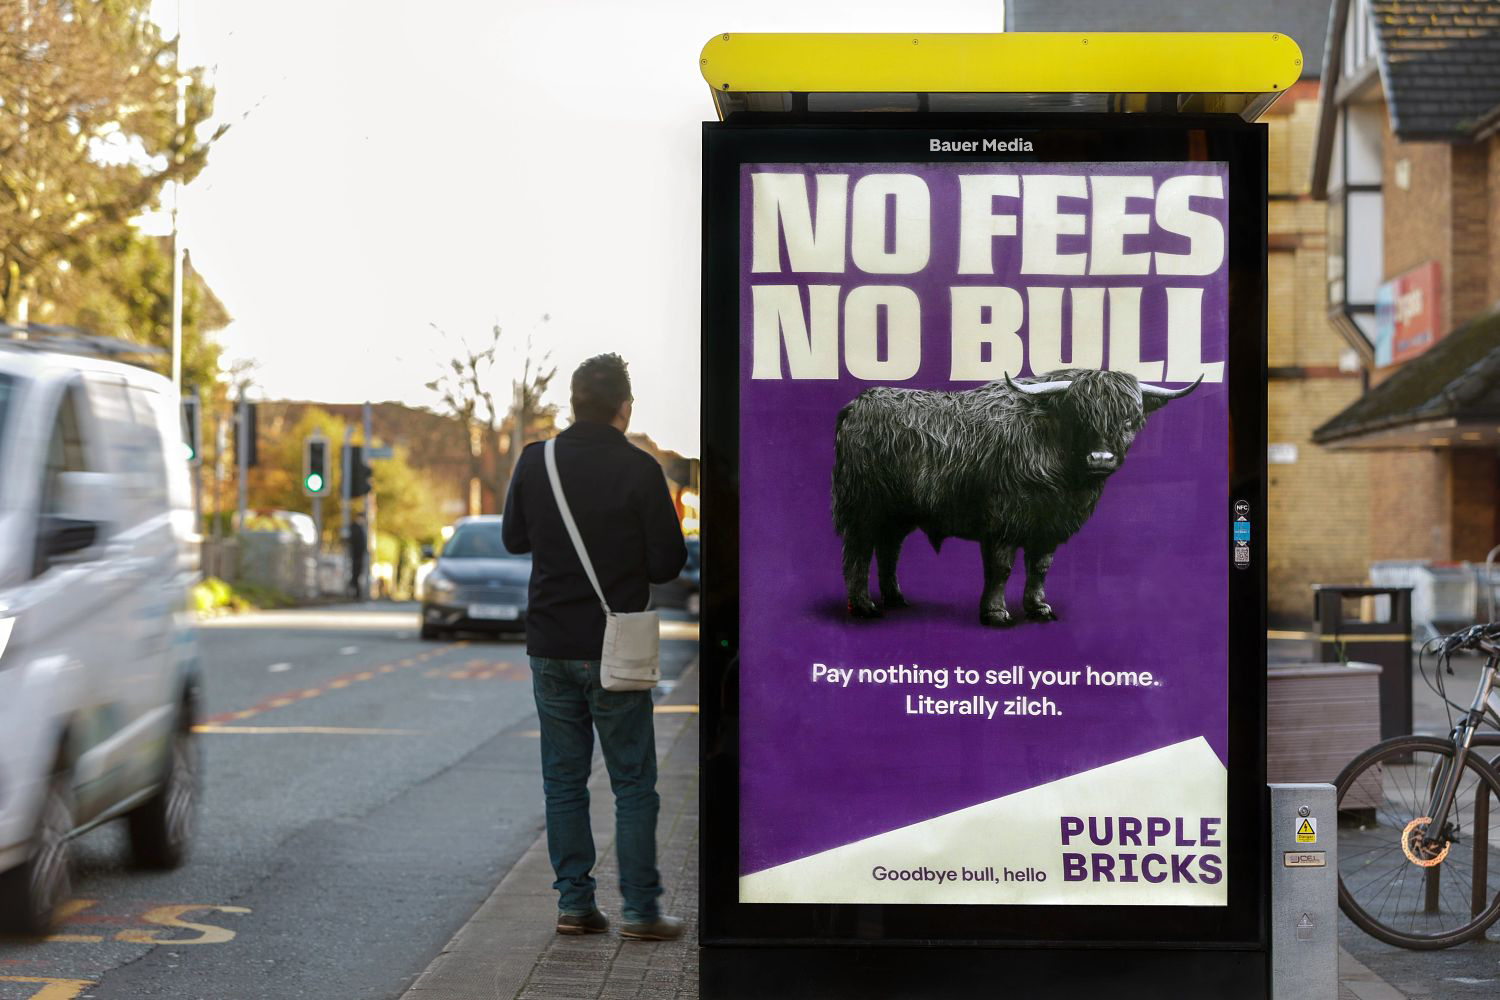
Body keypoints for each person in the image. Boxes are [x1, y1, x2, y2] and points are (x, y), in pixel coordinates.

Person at [502, 353, 688, 941]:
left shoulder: (538, 462)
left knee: (564, 781)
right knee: (633, 782)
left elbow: (513, 539)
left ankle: (575, 906)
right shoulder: (641, 470)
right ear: (624, 408)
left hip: (551, 644)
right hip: (618, 648)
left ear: (573, 404)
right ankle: (639, 910)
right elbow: (668, 562)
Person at [347, 514, 367, 601]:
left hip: (358, 555)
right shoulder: (355, 527)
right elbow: (355, 541)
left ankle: (357, 594)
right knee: (355, 574)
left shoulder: (359, 528)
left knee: (357, 574)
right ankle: (355, 593)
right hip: (356, 555)